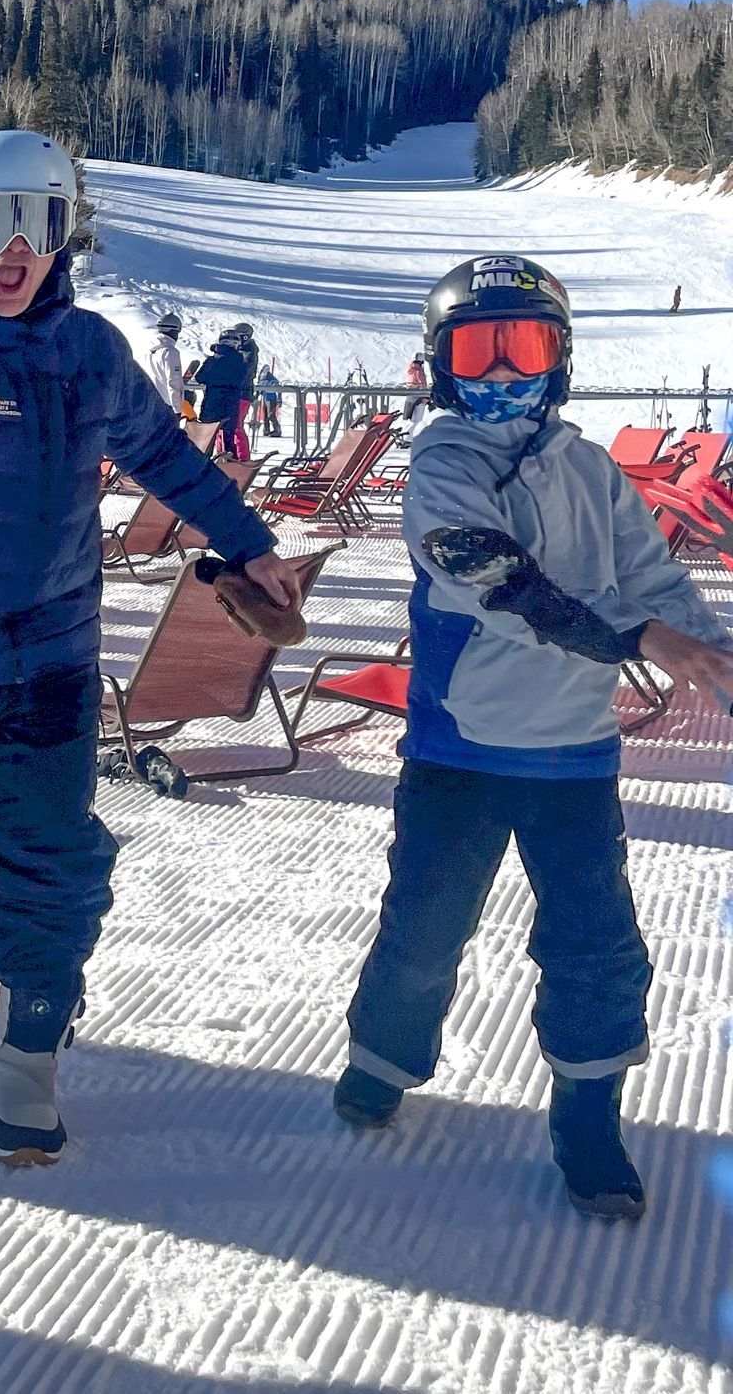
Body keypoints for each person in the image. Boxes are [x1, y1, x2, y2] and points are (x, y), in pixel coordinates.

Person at [0, 131, 299, 1164]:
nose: (14, 248)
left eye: (38, 223)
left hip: (49, 658)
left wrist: (249, 542)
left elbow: (165, 453)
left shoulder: (89, 350)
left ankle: (28, 1053)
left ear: (62, 235)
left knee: (53, 859)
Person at [335, 254, 733, 1220]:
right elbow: (499, 581)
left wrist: (712, 650)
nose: (506, 373)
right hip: (461, 750)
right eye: (482, 350)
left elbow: (654, 576)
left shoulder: (590, 468)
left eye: (527, 348)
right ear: (441, 364)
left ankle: (588, 1117)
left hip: (573, 752)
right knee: (426, 927)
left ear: (561, 359)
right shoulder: (442, 468)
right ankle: (383, 1058)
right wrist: (642, 637)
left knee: (595, 943)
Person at [195, 326, 252, 459]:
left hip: (211, 403)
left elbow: (200, 377)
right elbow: (242, 380)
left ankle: (202, 465)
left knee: (207, 439)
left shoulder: (213, 360)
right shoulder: (240, 361)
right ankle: (229, 465)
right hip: (230, 405)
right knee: (228, 439)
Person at [144, 312, 185, 411]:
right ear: (174, 330)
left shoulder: (149, 350)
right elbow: (173, 382)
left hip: (149, 403)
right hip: (166, 406)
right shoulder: (170, 352)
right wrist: (178, 410)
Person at [255, 362, 282, 438]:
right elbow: (260, 388)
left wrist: (279, 399)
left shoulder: (271, 378)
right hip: (265, 398)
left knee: (271, 415)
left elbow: (278, 387)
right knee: (265, 415)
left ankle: (277, 430)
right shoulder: (262, 378)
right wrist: (256, 396)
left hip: (271, 398)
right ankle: (266, 429)